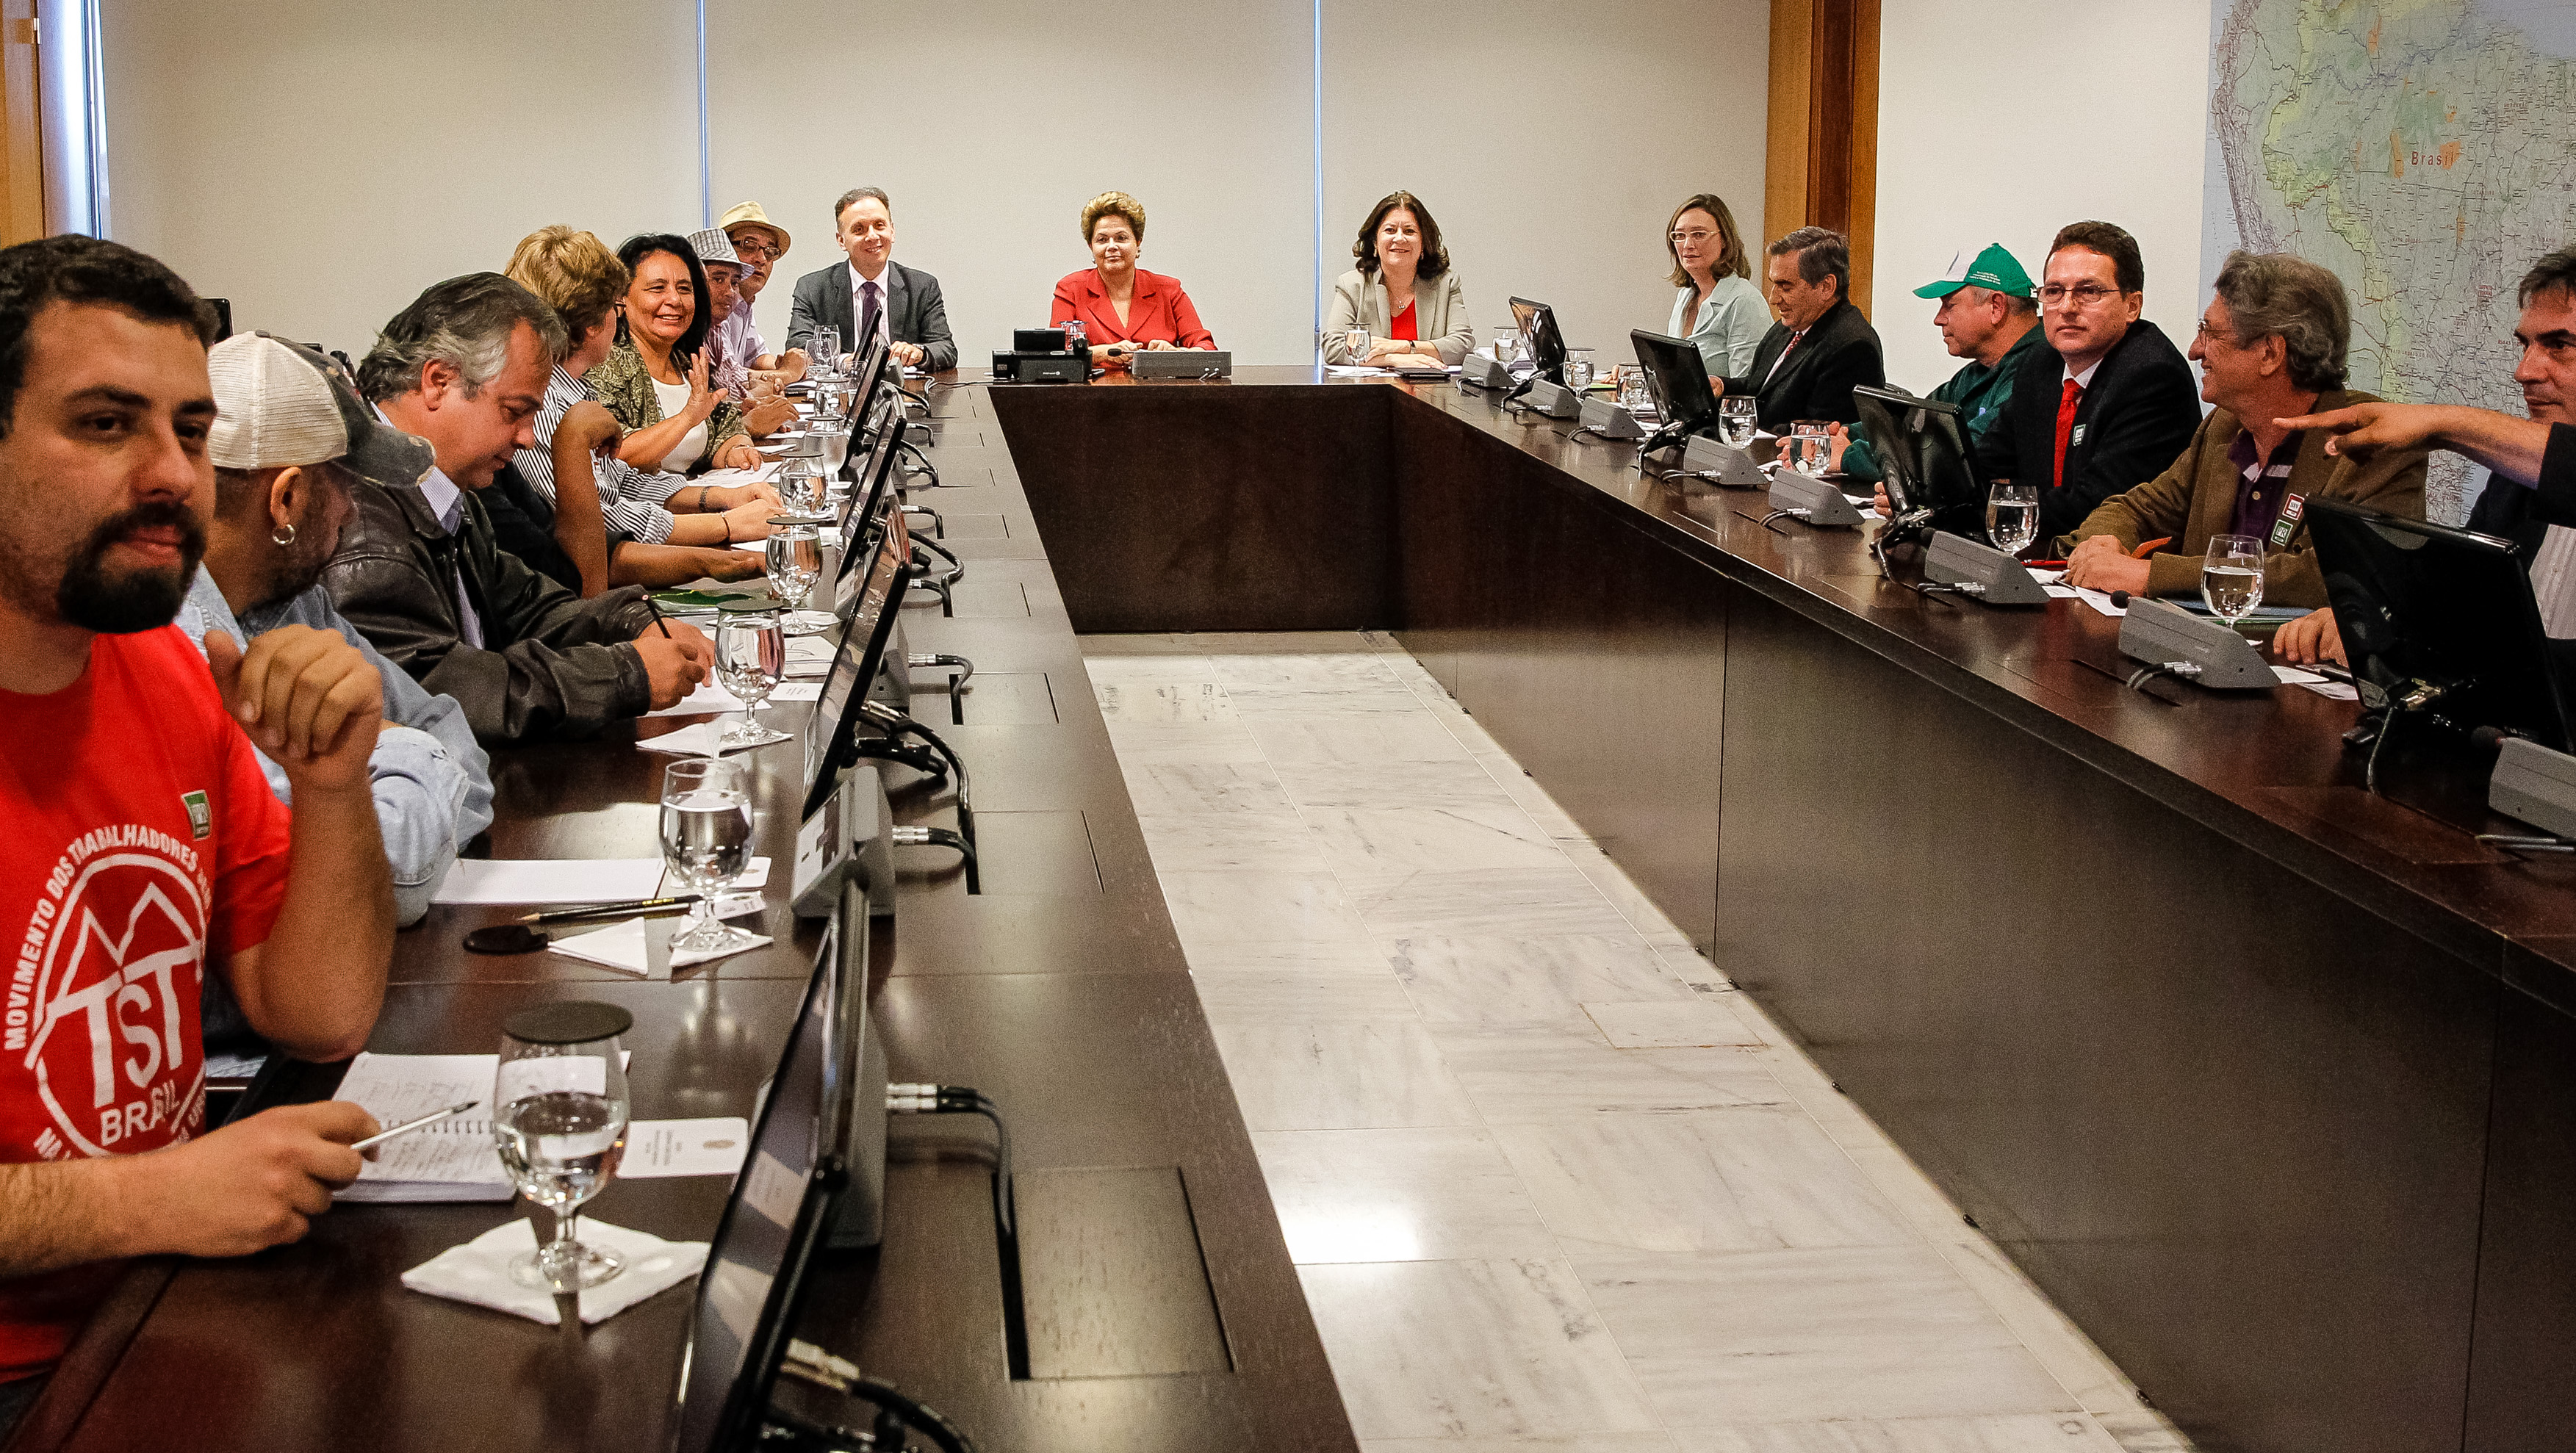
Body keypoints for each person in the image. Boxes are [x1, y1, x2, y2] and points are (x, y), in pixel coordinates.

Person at [0, 235, 392, 1426]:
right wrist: (151, 1198)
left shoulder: (168, 670)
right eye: (105, 424)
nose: (173, 473)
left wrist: (333, 784)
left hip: (165, 1304)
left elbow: (318, 1010)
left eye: (190, 429)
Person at [179, 333, 494, 930]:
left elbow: (453, 738)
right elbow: (374, 876)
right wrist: (394, 744)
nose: (352, 509)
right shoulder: (184, 645)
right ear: (286, 498)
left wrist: (381, 752)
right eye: (345, 484)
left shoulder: (298, 604)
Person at [330, 273, 713, 742]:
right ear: (438, 382)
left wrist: (633, 622)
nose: (528, 437)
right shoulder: (359, 516)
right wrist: (624, 673)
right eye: (514, 411)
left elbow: (529, 606)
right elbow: (434, 690)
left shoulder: (440, 485)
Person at [2057, 250, 2427, 606]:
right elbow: (2137, 508)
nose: (2195, 350)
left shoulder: (2374, 442)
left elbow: (2334, 576)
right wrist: (2104, 541)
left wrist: (2154, 575)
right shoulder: (2223, 427)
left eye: (2211, 333)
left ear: (2269, 353)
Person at [2275, 244, 2576, 664]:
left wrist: (2442, 424)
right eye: (2525, 345)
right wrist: (2376, 620)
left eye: (2560, 344)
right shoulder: (2514, 480)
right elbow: (2459, 602)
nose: (2524, 371)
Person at [501, 226, 770, 595]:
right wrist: (726, 525)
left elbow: (623, 480)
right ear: (593, 322)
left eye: (684, 288)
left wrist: (720, 498)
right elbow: (600, 520)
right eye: (616, 307)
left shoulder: (576, 388)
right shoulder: (545, 402)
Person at [1979, 220, 2200, 544]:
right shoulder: (2040, 362)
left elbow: (2090, 506)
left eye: (2089, 292)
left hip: (2110, 562)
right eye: (2054, 292)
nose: (2067, 307)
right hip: (2042, 554)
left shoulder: (2153, 377)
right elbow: (1986, 464)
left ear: (2132, 306)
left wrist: (1979, 511)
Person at [1842, 243, 2046, 491]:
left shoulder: (2041, 370)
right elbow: (1916, 421)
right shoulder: (1976, 372)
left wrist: (1849, 456)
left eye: (1949, 305)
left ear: (1996, 307)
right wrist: (1845, 434)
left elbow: (1961, 455)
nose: (1938, 319)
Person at [584, 234, 763, 477]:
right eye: (658, 288)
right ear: (622, 298)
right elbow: (611, 454)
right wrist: (687, 418)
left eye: (684, 289)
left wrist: (736, 451)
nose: (675, 300)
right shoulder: (605, 365)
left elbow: (726, 426)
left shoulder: (684, 361)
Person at [1713, 226, 1885, 431]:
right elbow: (1758, 388)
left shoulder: (1854, 348)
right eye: (1774, 284)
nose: (1773, 298)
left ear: (1826, 287)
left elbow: (1819, 433)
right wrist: (1721, 386)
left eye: (1785, 286)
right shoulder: (1790, 325)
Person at [785, 187, 957, 373]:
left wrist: (919, 353)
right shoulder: (813, 288)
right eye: (859, 229)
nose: (872, 236)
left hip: (904, 388)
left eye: (879, 225)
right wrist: (843, 361)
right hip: (843, 389)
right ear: (841, 240)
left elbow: (945, 349)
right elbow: (797, 349)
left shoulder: (922, 286)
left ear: (892, 231)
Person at [1051, 191, 1215, 368]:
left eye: (1121, 238)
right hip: (1093, 386)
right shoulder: (1070, 289)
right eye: (1102, 239)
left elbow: (1207, 349)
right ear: (1091, 246)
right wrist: (1101, 353)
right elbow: (1053, 354)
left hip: (1157, 386)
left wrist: (1176, 354)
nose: (1112, 246)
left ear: (1138, 243)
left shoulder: (1169, 290)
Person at [1324, 191, 1473, 367]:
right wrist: (1393, 359)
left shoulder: (1446, 284)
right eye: (1390, 230)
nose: (1400, 238)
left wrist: (1403, 347)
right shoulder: (1352, 285)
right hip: (1371, 385)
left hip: (1430, 384)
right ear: (1375, 242)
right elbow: (1334, 348)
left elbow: (1462, 345)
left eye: (1409, 231)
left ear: (1424, 243)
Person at [689, 229, 796, 439]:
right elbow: (691, 419)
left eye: (734, 283)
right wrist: (787, 374)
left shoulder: (713, 327)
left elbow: (733, 378)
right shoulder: (682, 334)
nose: (730, 291)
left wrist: (753, 403)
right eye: (718, 279)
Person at [1660, 193, 1767, 378]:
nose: (1687, 245)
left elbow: (1746, 385)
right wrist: (1630, 377)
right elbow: (1674, 373)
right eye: (1679, 236)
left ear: (1724, 240)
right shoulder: (1685, 295)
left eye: (1699, 235)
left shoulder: (1745, 301)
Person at [716, 201, 807, 386]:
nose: (762, 259)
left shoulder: (743, 302)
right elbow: (727, 378)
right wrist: (788, 373)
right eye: (749, 246)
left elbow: (755, 355)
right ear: (723, 252)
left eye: (770, 251)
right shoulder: (714, 305)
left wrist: (785, 364)